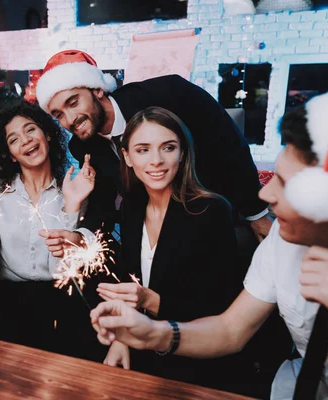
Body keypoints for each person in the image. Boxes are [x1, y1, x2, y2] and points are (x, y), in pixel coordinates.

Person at [90, 81, 328, 399]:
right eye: (143, 149)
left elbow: (216, 304)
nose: (265, 194)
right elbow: (231, 329)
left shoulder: (210, 211)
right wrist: (149, 334)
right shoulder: (279, 247)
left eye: (285, 183)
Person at [35, 49, 272, 250]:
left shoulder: (170, 94)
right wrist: (82, 236)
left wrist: (256, 214)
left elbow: (228, 146)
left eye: (73, 102)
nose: (70, 119)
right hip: (150, 230)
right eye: (58, 115)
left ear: (97, 89)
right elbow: (103, 201)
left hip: (210, 211)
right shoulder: (82, 146)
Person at [95, 106, 248, 391]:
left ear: (182, 153)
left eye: (168, 147)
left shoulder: (211, 211)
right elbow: (128, 279)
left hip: (198, 362)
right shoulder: (131, 206)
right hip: (143, 352)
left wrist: (151, 301)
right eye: (143, 150)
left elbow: (224, 308)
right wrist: (120, 339)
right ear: (127, 157)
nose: (157, 161)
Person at [0, 101, 99, 357]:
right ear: (10, 154)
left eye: (30, 130)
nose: (25, 141)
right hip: (6, 300)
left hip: (61, 298)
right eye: (14, 139)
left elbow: (61, 270)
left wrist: (71, 204)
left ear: (47, 133)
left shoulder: (75, 187)